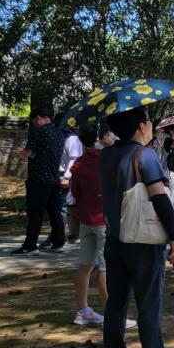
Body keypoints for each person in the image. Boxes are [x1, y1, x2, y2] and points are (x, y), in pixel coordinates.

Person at [100, 107, 174, 348]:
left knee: (116, 303)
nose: (150, 126)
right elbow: (160, 199)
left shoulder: (107, 155)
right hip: (143, 242)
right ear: (140, 126)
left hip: (114, 239)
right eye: (148, 121)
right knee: (148, 303)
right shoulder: (144, 156)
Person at [68, 123, 137, 329]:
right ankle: (113, 315)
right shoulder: (106, 160)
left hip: (86, 219)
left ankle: (83, 311)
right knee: (105, 269)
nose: (112, 136)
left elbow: (75, 193)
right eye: (109, 133)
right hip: (103, 220)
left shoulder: (80, 163)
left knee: (85, 266)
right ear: (102, 137)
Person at [14, 105, 66, 255]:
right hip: (54, 177)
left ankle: (30, 245)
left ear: (38, 118)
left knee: (35, 212)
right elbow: (45, 154)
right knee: (55, 212)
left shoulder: (37, 132)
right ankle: (58, 242)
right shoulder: (59, 133)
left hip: (38, 178)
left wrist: (22, 153)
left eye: (34, 121)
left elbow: (28, 153)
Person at [58, 124, 85, 245]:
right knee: (64, 205)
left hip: (68, 175)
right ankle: (66, 234)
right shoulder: (63, 137)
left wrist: (66, 176)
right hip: (62, 174)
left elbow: (74, 159)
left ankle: (67, 234)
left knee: (66, 205)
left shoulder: (72, 139)